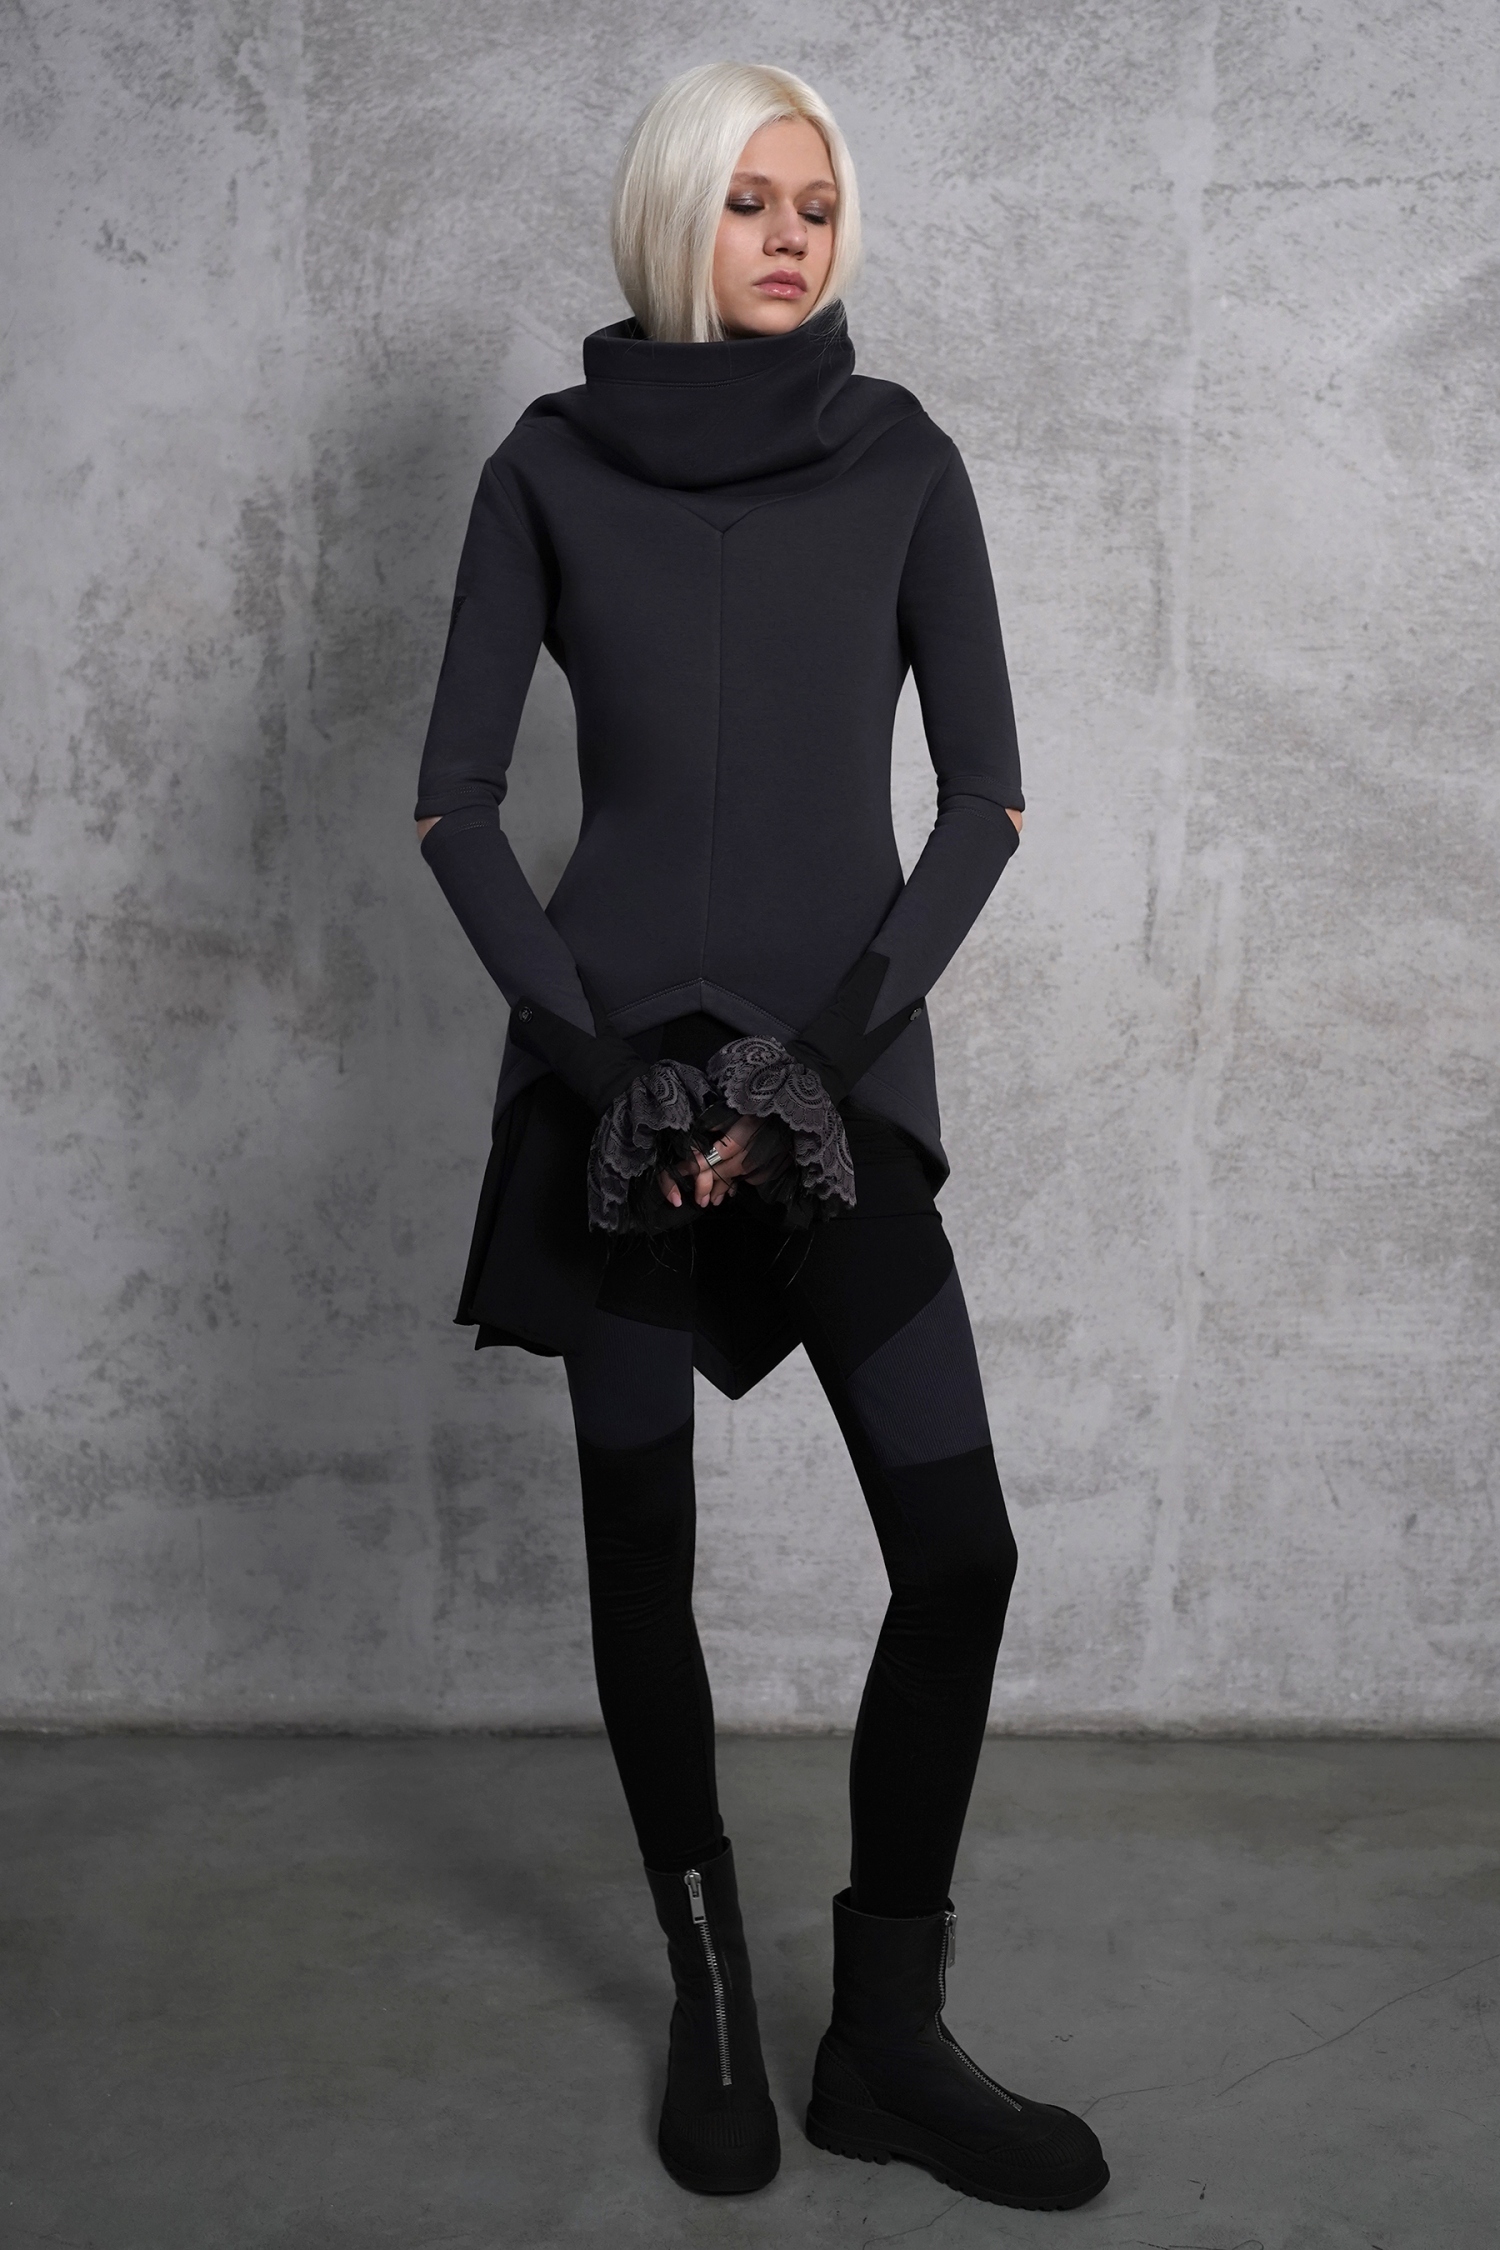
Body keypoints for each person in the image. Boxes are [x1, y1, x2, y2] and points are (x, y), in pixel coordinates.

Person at [413, 59, 1108, 2215]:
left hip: (836, 1077)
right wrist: (602, 1069)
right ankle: (709, 1998)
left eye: (816, 201)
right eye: (748, 199)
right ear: (674, 217)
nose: (792, 234)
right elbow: (453, 806)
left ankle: (885, 2038)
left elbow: (985, 801)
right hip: (610, 1091)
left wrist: (819, 1061)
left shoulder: (905, 461)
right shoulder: (542, 471)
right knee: (645, 1550)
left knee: (961, 1553)